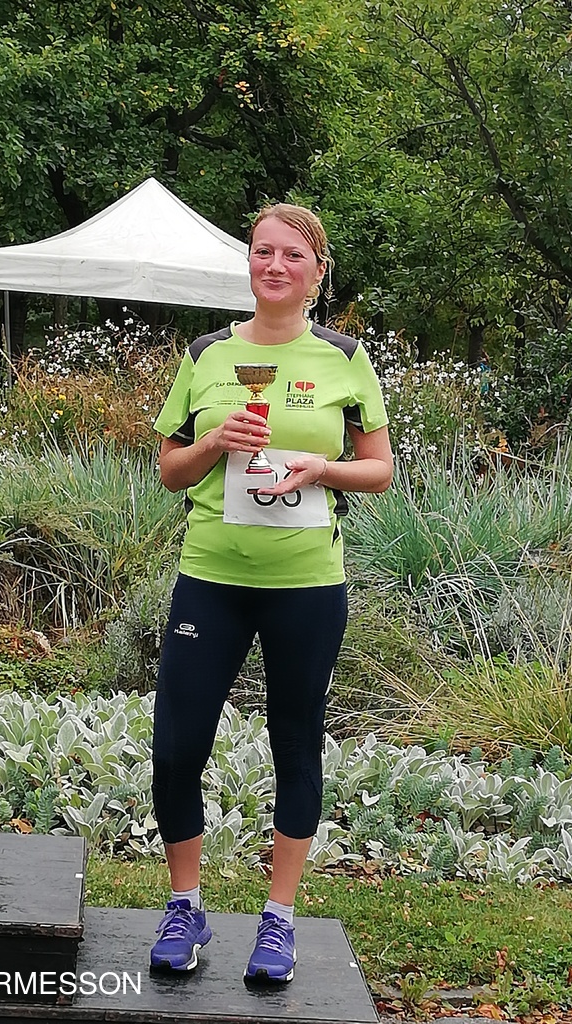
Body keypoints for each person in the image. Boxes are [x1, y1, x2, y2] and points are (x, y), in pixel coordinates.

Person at [150, 202, 393, 983]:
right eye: (262, 251)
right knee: (176, 747)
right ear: (248, 262)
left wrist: (323, 469)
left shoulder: (345, 358)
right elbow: (169, 470)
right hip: (211, 578)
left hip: (305, 586)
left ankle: (279, 921)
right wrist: (216, 441)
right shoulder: (207, 354)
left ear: (317, 272)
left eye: (293, 255)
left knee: (295, 741)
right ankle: (185, 907)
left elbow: (380, 469)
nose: (275, 265)